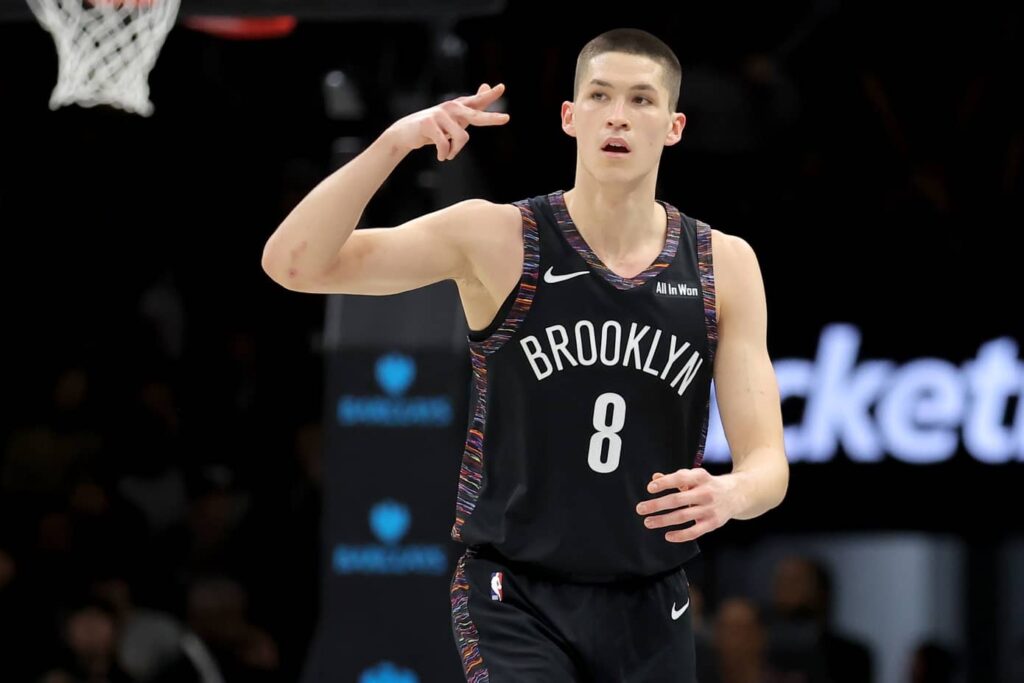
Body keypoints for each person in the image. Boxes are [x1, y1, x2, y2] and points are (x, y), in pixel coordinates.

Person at [262, 27, 789, 683]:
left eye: (641, 99)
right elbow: (292, 263)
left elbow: (769, 463)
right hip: (516, 591)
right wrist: (397, 142)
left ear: (674, 126)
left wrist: (732, 491)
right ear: (571, 116)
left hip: (652, 594)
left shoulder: (724, 264)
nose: (618, 114)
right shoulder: (498, 237)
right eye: (599, 95)